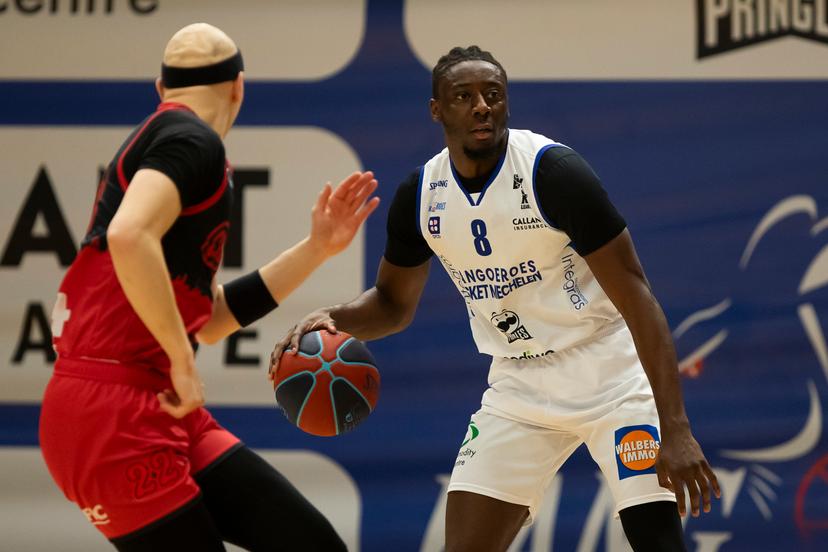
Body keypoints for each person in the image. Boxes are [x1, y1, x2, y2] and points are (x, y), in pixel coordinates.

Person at [271, 46, 720, 552]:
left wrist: (675, 428)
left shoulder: (553, 172)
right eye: (464, 97)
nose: (482, 106)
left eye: (493, 94)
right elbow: (393, 306)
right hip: (518, 383)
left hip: (608, 371)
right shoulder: (422, 195)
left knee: (658, 542)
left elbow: (639, 300)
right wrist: (334, 318)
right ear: (437, 110)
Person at [39, 23, 379, 552]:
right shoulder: (190, 140)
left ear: (161, 88)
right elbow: (129, 236)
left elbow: (212, 319)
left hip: (152, 401)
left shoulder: (171, 141)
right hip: (112, 413)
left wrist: (317, 248)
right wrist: (181, 360)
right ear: (239, 87)